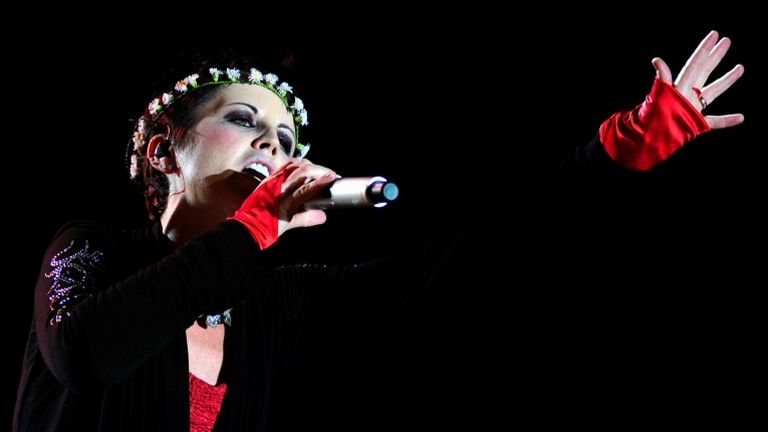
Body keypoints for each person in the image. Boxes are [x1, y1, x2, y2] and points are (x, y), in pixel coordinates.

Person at [13, 30, 744, 431]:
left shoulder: (275, 304)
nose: (273, 145)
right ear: (161, 150)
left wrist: (613, 157)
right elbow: (86, 354)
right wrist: (256, 227)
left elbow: (457, 260)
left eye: (286, 139)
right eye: (243, 120)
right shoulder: (90, 250)